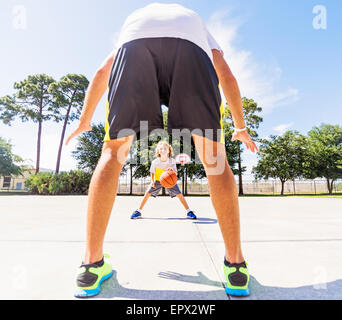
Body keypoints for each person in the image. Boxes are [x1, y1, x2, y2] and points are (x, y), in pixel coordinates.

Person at [66, 2, 259, 298]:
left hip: (133, 49)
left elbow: (103, 70)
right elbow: (226, 74)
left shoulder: (135, 21)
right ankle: (235, 265)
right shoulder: (196, 24)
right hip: (191, 53)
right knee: (214, 159)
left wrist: (84, 120)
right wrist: (240, 125)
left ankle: (90, 265)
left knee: (112, 154)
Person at [130, 140, 197, 220]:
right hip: (158, 180)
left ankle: (189, 211)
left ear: (169, 150)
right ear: (158, 151)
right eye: (161, 149)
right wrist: (152, 181)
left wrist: (171, 170)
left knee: (179, 194)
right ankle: (138, 211)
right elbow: (152, 172)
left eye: (165, 148)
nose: (163, 150)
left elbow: (175, 173)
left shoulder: (172, 161)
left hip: (169, 180)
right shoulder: (155, 162)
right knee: (147, 193)